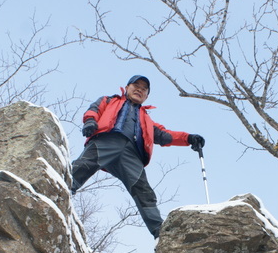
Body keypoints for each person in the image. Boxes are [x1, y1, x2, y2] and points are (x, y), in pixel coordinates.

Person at [71, 75, 205, 238]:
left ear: (146, 97)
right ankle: (62, 189)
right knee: (83, 165)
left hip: (131, 154)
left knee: (143, 190)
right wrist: (90, 121)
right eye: (136, 86)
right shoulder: (110, 100)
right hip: (107, 140)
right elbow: (94, 109)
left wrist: (189, 138)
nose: (139, 90)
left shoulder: (146, 119)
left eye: (144, 89)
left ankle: (159, 232)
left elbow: (164, 135)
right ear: (127, 88)